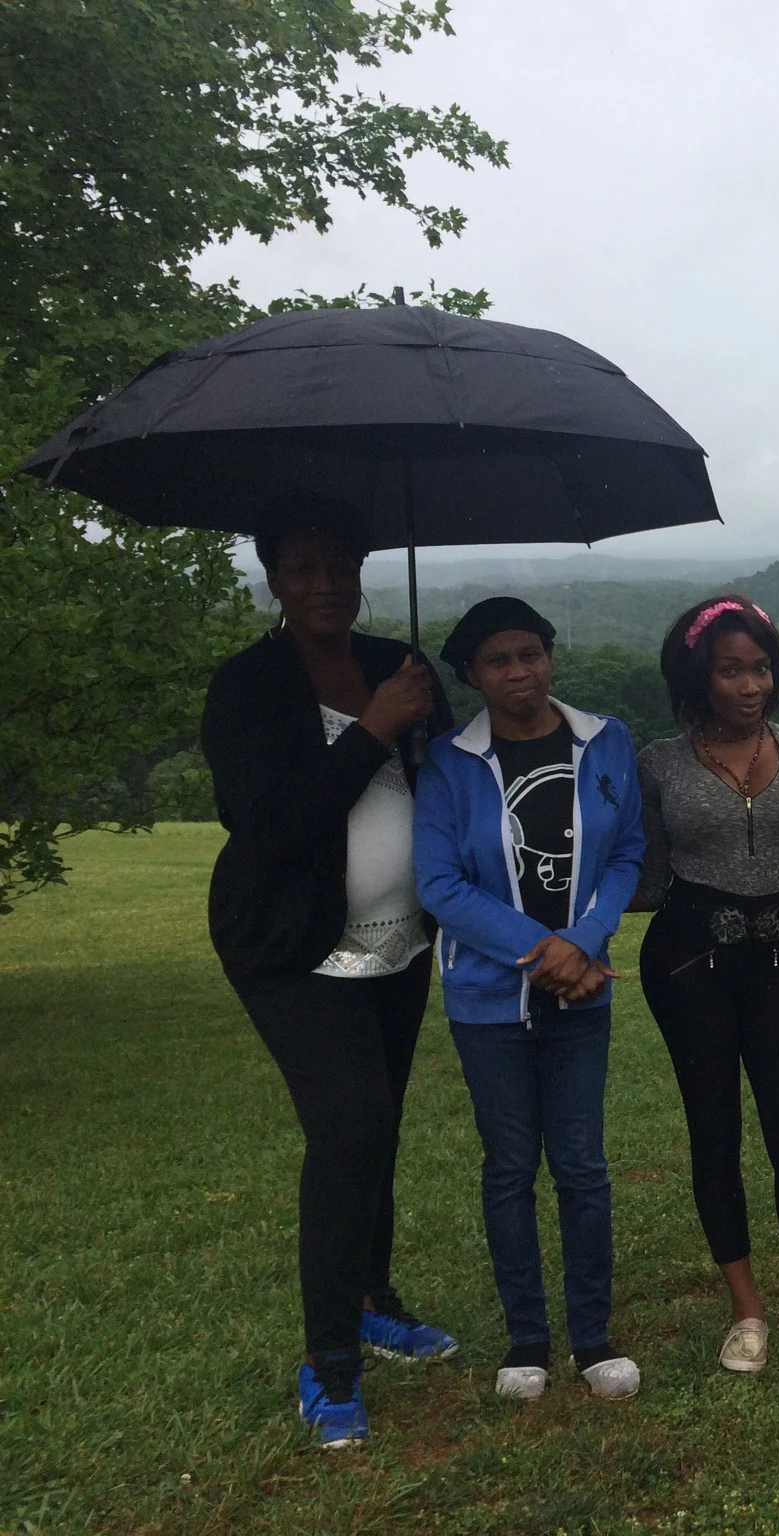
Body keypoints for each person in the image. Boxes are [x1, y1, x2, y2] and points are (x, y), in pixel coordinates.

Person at [200, 491, 457, 1449]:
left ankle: (372, 1296)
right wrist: (377, 728)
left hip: (401, 941)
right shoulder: (248, 686)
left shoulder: (399, 663)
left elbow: (451, 782)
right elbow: (270, 824)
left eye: (339, 566)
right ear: (273, 578)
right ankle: (329, 1362)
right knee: (347, 1125)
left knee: (378, 1125)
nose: (324, 584)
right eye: (302, 567)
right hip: (291, 946)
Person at [413, 598, 646, 1403]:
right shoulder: (449, 760)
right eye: (498, 661)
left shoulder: (605, 741)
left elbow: (629, 854)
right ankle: (526, 1341)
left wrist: (582, 939)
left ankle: (593, 1338)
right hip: (487, 1000)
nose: (519, 672)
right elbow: (439, 884)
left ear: (551, 654)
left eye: (530, 653)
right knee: (510, 1168)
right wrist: (541, 948)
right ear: (472, 676)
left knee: (582, 1167)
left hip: (584, 992)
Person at [633, 596, 779, 1374]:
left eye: (760, 667)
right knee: (714, 1131)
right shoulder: (658, 762)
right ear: (699, 674)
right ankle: (747, 1311)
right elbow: (645, 876)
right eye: (730, 669)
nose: (750, 683)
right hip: (689, 961)